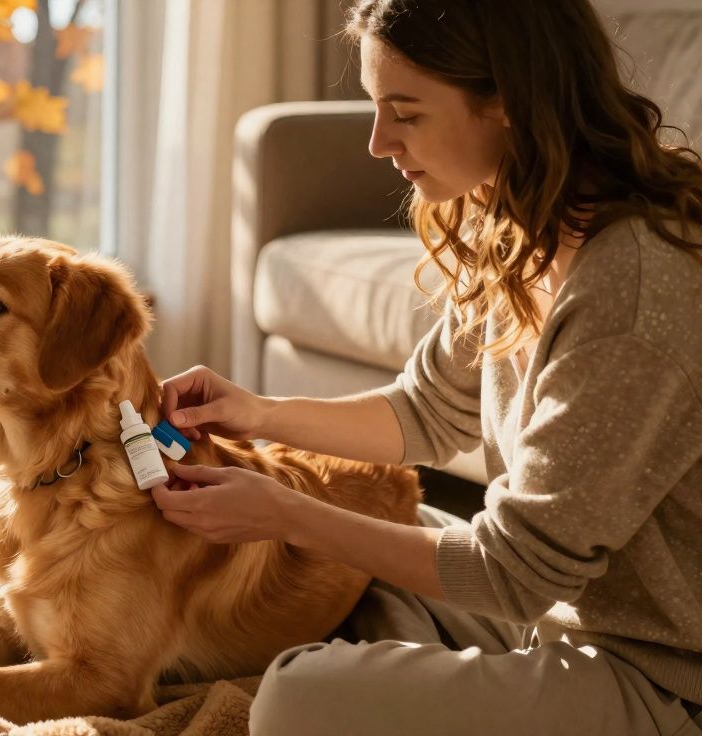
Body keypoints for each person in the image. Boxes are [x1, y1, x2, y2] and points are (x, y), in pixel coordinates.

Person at [151, 1, 702, 734]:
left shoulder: (634, 286)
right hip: (554, 617)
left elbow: (512, 570)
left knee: (296, 695)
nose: (379, 143)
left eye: (405, 114)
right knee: (362, 558)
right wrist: (254, 412)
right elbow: (424, 411)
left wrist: (284, 514)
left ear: (507, 100)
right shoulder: (521, 225)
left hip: (661, 679)